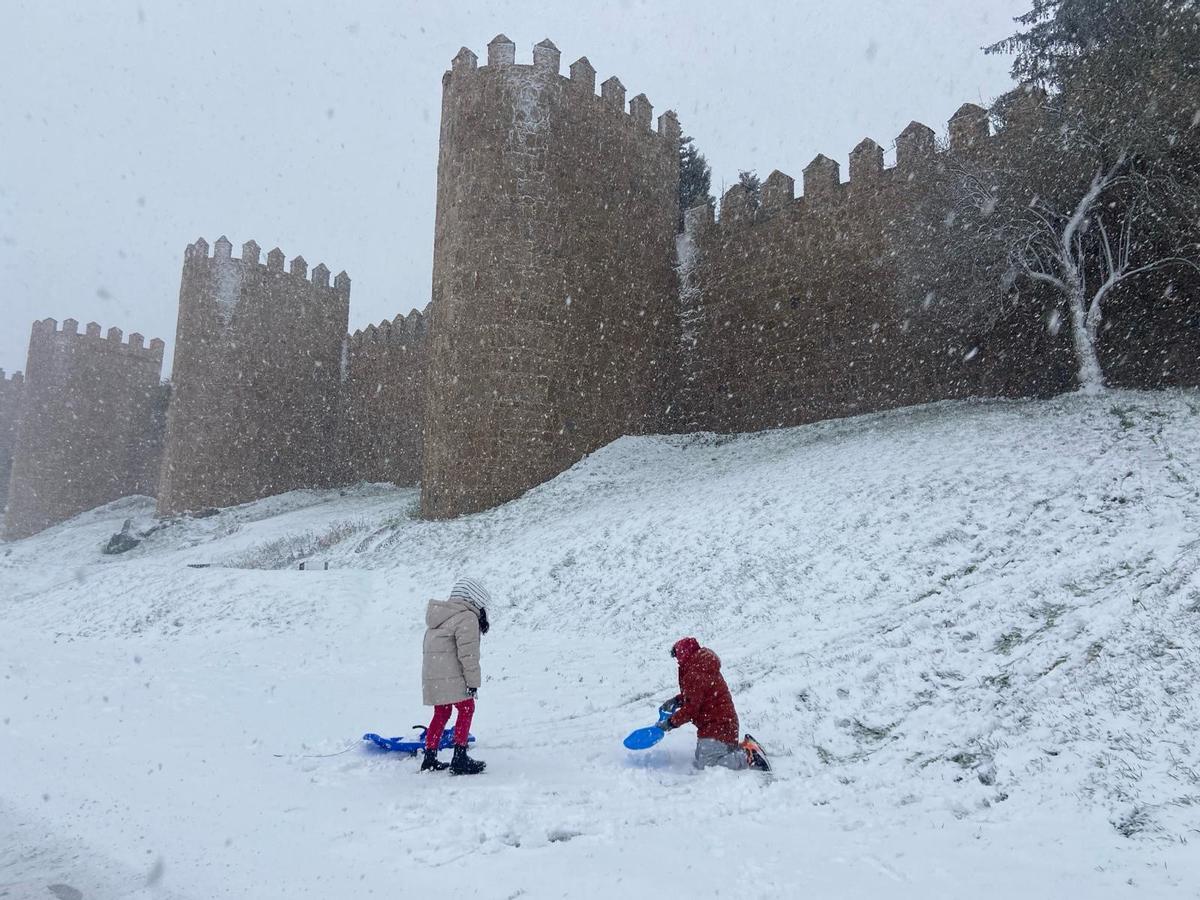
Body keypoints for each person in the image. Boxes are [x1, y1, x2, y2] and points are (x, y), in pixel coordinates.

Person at [659, 636, 770, 772]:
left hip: (717, 725)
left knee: (707, 764)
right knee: (701, 756)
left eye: (678, 657)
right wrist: (677, 701)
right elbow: (697, 695)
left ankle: (748, 756)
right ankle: (746, 746)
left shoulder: (695, 672)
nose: (677, 661)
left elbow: (691, 709)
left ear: (684, 654)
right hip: (722, 724)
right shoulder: (700, 666)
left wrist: (670, 723)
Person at [419, 577, 490, 775]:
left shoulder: (440, 615)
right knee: (467, 708)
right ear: (475, 599)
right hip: (451, 675)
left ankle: (429, 758)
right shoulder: (466, 617)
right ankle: (460, 758)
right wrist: (473, 682)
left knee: (441, 713)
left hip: (434, 676)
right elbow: (468, 654)